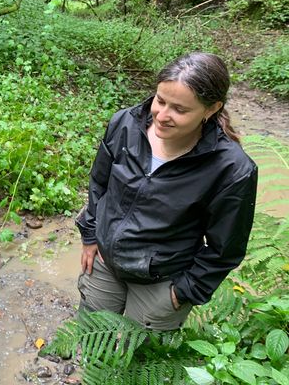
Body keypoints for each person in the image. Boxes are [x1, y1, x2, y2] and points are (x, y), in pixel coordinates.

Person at [75, 52, 258, 331]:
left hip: (162, 283)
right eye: (160, 101)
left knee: (136, 362)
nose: (162, 116)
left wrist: (183, 292)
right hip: (103, 263)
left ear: (211, 109)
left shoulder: (231, 170)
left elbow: (226, 249)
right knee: (91, 337)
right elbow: (99, 184)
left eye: (180, 110)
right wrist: (90, 235)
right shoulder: (125, 124)